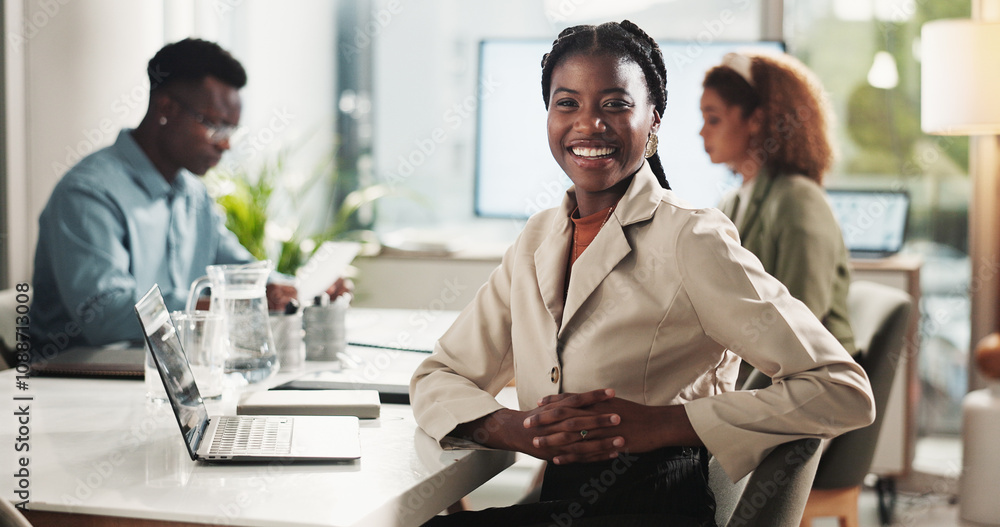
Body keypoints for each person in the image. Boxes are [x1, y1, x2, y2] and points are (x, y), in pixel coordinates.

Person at [410, 20, 874, 527]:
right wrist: (513, 428)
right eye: (567, 103)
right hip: (564, 501)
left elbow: (842, 388)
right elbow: (438, 375)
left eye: (615, 104)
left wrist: (664, 424)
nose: (589, 124)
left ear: (653, 120)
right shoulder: (538, 239)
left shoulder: (691, 239)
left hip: (658, 505)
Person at [30, 38, 348, 357]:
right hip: (77, 378)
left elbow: (239, 270)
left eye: (231, 131)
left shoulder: (192, 195)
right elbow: (105, 315)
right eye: (215, 126)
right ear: (166, 109)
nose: (225, 145)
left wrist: (296, 288)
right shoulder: (89, 193)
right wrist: (235, 302)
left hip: (167, 373)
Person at [700, 51, 856, 359]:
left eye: (713, 119)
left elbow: (799, 329)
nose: (702, 132)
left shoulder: (798, 199)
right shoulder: (730, 202)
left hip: (810, 381)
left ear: (756, 119)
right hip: (760, 369)